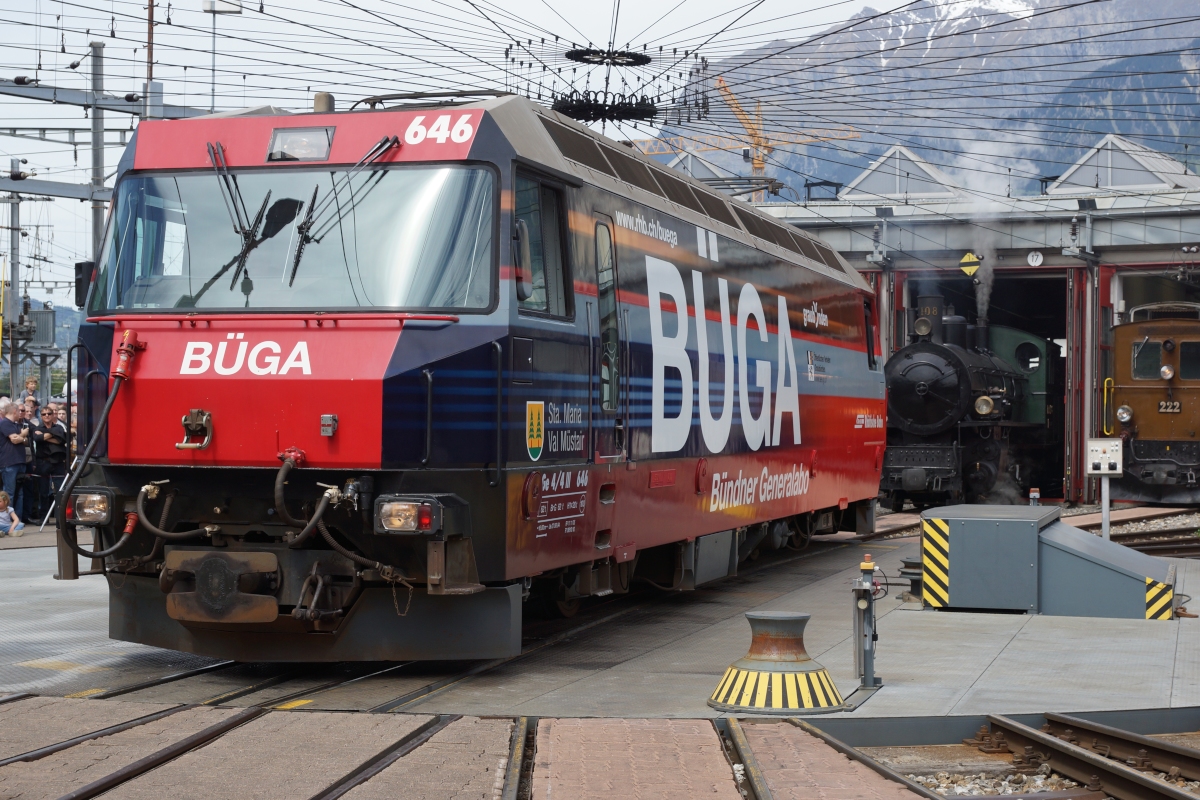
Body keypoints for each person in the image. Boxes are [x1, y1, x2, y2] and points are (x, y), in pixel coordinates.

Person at [32, 404, 68, 519]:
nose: (46, 416)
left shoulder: (59, 427)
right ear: (41, 416)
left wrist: (45, 436)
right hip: (43, 462)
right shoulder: (38, 428)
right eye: (44, 414)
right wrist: (54, 435)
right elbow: (37, 439)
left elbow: (62, 439)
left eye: (49, 413)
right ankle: (43, 517)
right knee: (43, 492)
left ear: (53, 415)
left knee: (60, 490)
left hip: (57, 463)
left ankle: (60, 517)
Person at [0, 402, 28, 518]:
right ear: (15, 411)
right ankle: (5, 519)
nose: (21, 413)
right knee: (9, 493)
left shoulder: (16, 424)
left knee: (20, 493)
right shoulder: (4, 423)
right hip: (9, 462)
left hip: (20, 461)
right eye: (20, 411)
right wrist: (24, 434)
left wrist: (21, 436)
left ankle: (18, 519)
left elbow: (25, 441)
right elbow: (14, 440)